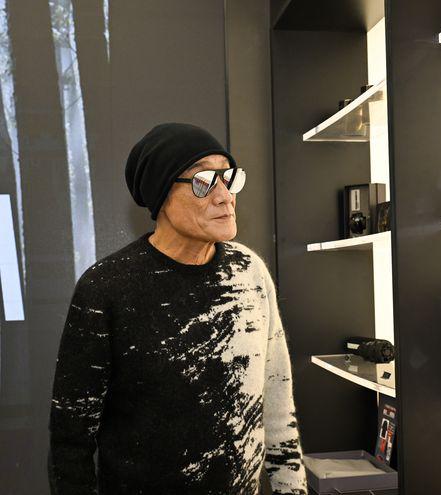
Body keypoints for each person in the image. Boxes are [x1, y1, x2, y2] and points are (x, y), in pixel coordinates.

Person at [48, 123, 308, 495]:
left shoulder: (249, 272)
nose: (225, 197)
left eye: (228, 178)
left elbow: (278, 407)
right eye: (204, 181)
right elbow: (70, 441)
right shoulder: (106, 288)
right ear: (161, 194)